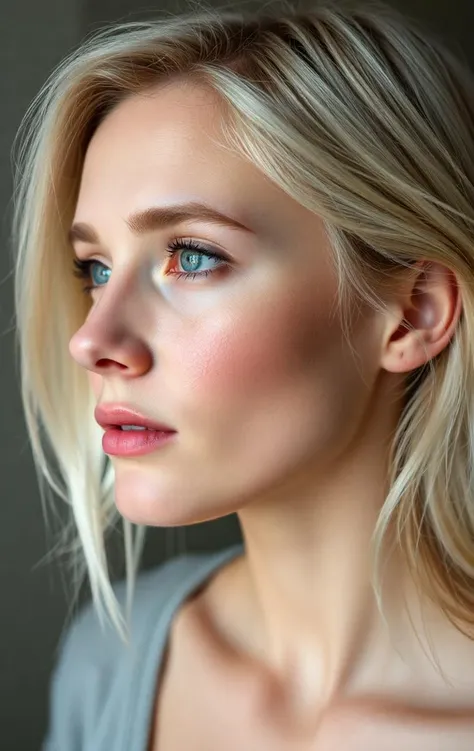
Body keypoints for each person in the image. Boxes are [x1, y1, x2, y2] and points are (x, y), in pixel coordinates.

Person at [11, 0, 474, 747]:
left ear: (414, 311)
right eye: (94, 268)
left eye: (191, 257)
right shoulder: (109, 664)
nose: (93, 338)